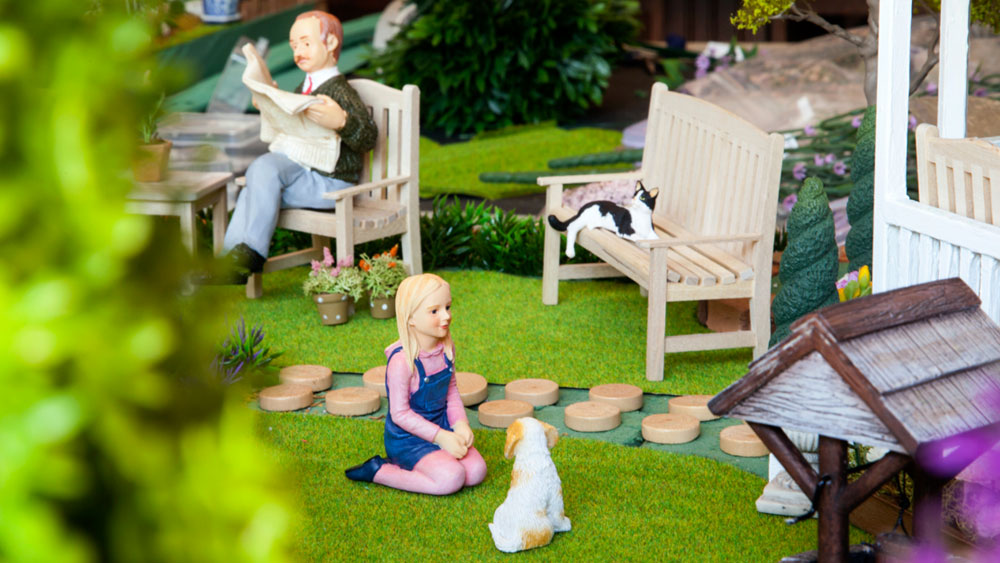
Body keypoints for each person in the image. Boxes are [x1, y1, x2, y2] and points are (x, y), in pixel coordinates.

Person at [197, 10, 378, 284]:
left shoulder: (341, 92)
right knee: (256, 183)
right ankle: (228, 262)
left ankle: (251, 253)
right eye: (294, 46)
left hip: (332, 182)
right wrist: (269, 105)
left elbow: (367, 137)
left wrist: (342, 120)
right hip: (305, 172)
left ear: (329, 44)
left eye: (306, 43)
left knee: (263, 171)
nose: (298, 51)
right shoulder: (302, 88)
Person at [346, 274, 488, 495]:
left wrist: (460, 424)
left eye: (448, 307)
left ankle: (439, 458)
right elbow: (400, 414)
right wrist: (441, 437)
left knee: (476, 472)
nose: (446, 316)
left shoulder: (446, 349)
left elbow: (451, 392)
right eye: (434, 311)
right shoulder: (401, 362)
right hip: (408, 439)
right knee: (451, 478)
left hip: (442, 425)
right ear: (411, 317)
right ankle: (379, 470)